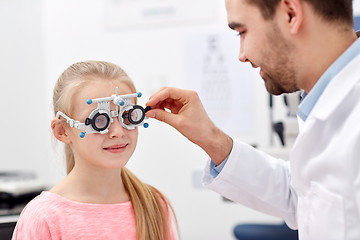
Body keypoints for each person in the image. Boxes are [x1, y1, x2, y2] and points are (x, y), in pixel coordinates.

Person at [145, 0, 360, 239]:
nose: (242, 55)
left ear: (290, 14)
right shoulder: (326, 102)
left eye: (242, 32)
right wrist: (212, 138)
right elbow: (302, 196)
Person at [12, 60, 177, 240]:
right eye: (99, 120)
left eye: (127, 116)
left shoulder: (154, 205)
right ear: (62, 131)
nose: (118, 132)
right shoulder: (44, 217)